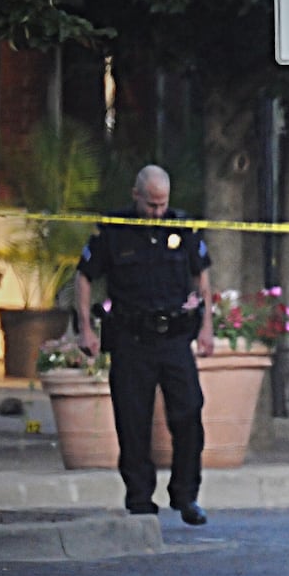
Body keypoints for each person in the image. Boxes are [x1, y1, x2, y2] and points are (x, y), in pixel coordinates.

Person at [75, 165, 214, 525]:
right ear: (135, 195)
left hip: (174, 338)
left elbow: (202, 276)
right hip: (131, 337)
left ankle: (186, 495)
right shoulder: (114, 231)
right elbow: (85, 276)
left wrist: (207, 327)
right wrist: (85, 329)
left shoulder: (181, 227)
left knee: (188, 416)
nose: (157, 212)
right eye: (151, 205)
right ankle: (139, 499)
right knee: (132, 422)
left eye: (162, 204)